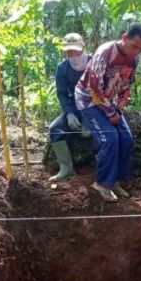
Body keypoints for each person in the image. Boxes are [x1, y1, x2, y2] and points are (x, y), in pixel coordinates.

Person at [75, 22, 141, 203]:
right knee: (109, 138)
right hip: (89, 100)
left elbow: (126, 86)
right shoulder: (106, 52)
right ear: (124, 38)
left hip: (110, 100)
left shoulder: (134, 59)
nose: (136, 52)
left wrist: (119, 109)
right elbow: (93, 87)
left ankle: (114, 180)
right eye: (134, 46)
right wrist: (110, 113)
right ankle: (101, 183)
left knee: (126, 139)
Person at [48, 33, 92, 182]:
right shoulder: (62, 68)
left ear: (83, 48)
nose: (72, 54)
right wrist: (69, 114)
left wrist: (88, 117)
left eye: (75, 50)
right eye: (69, 51)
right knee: (55, 128)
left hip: (94, 106)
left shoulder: (93, 62)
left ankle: (100, 171)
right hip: (74, 106)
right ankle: (66, 168)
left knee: (96, 133)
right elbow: (61, 94)